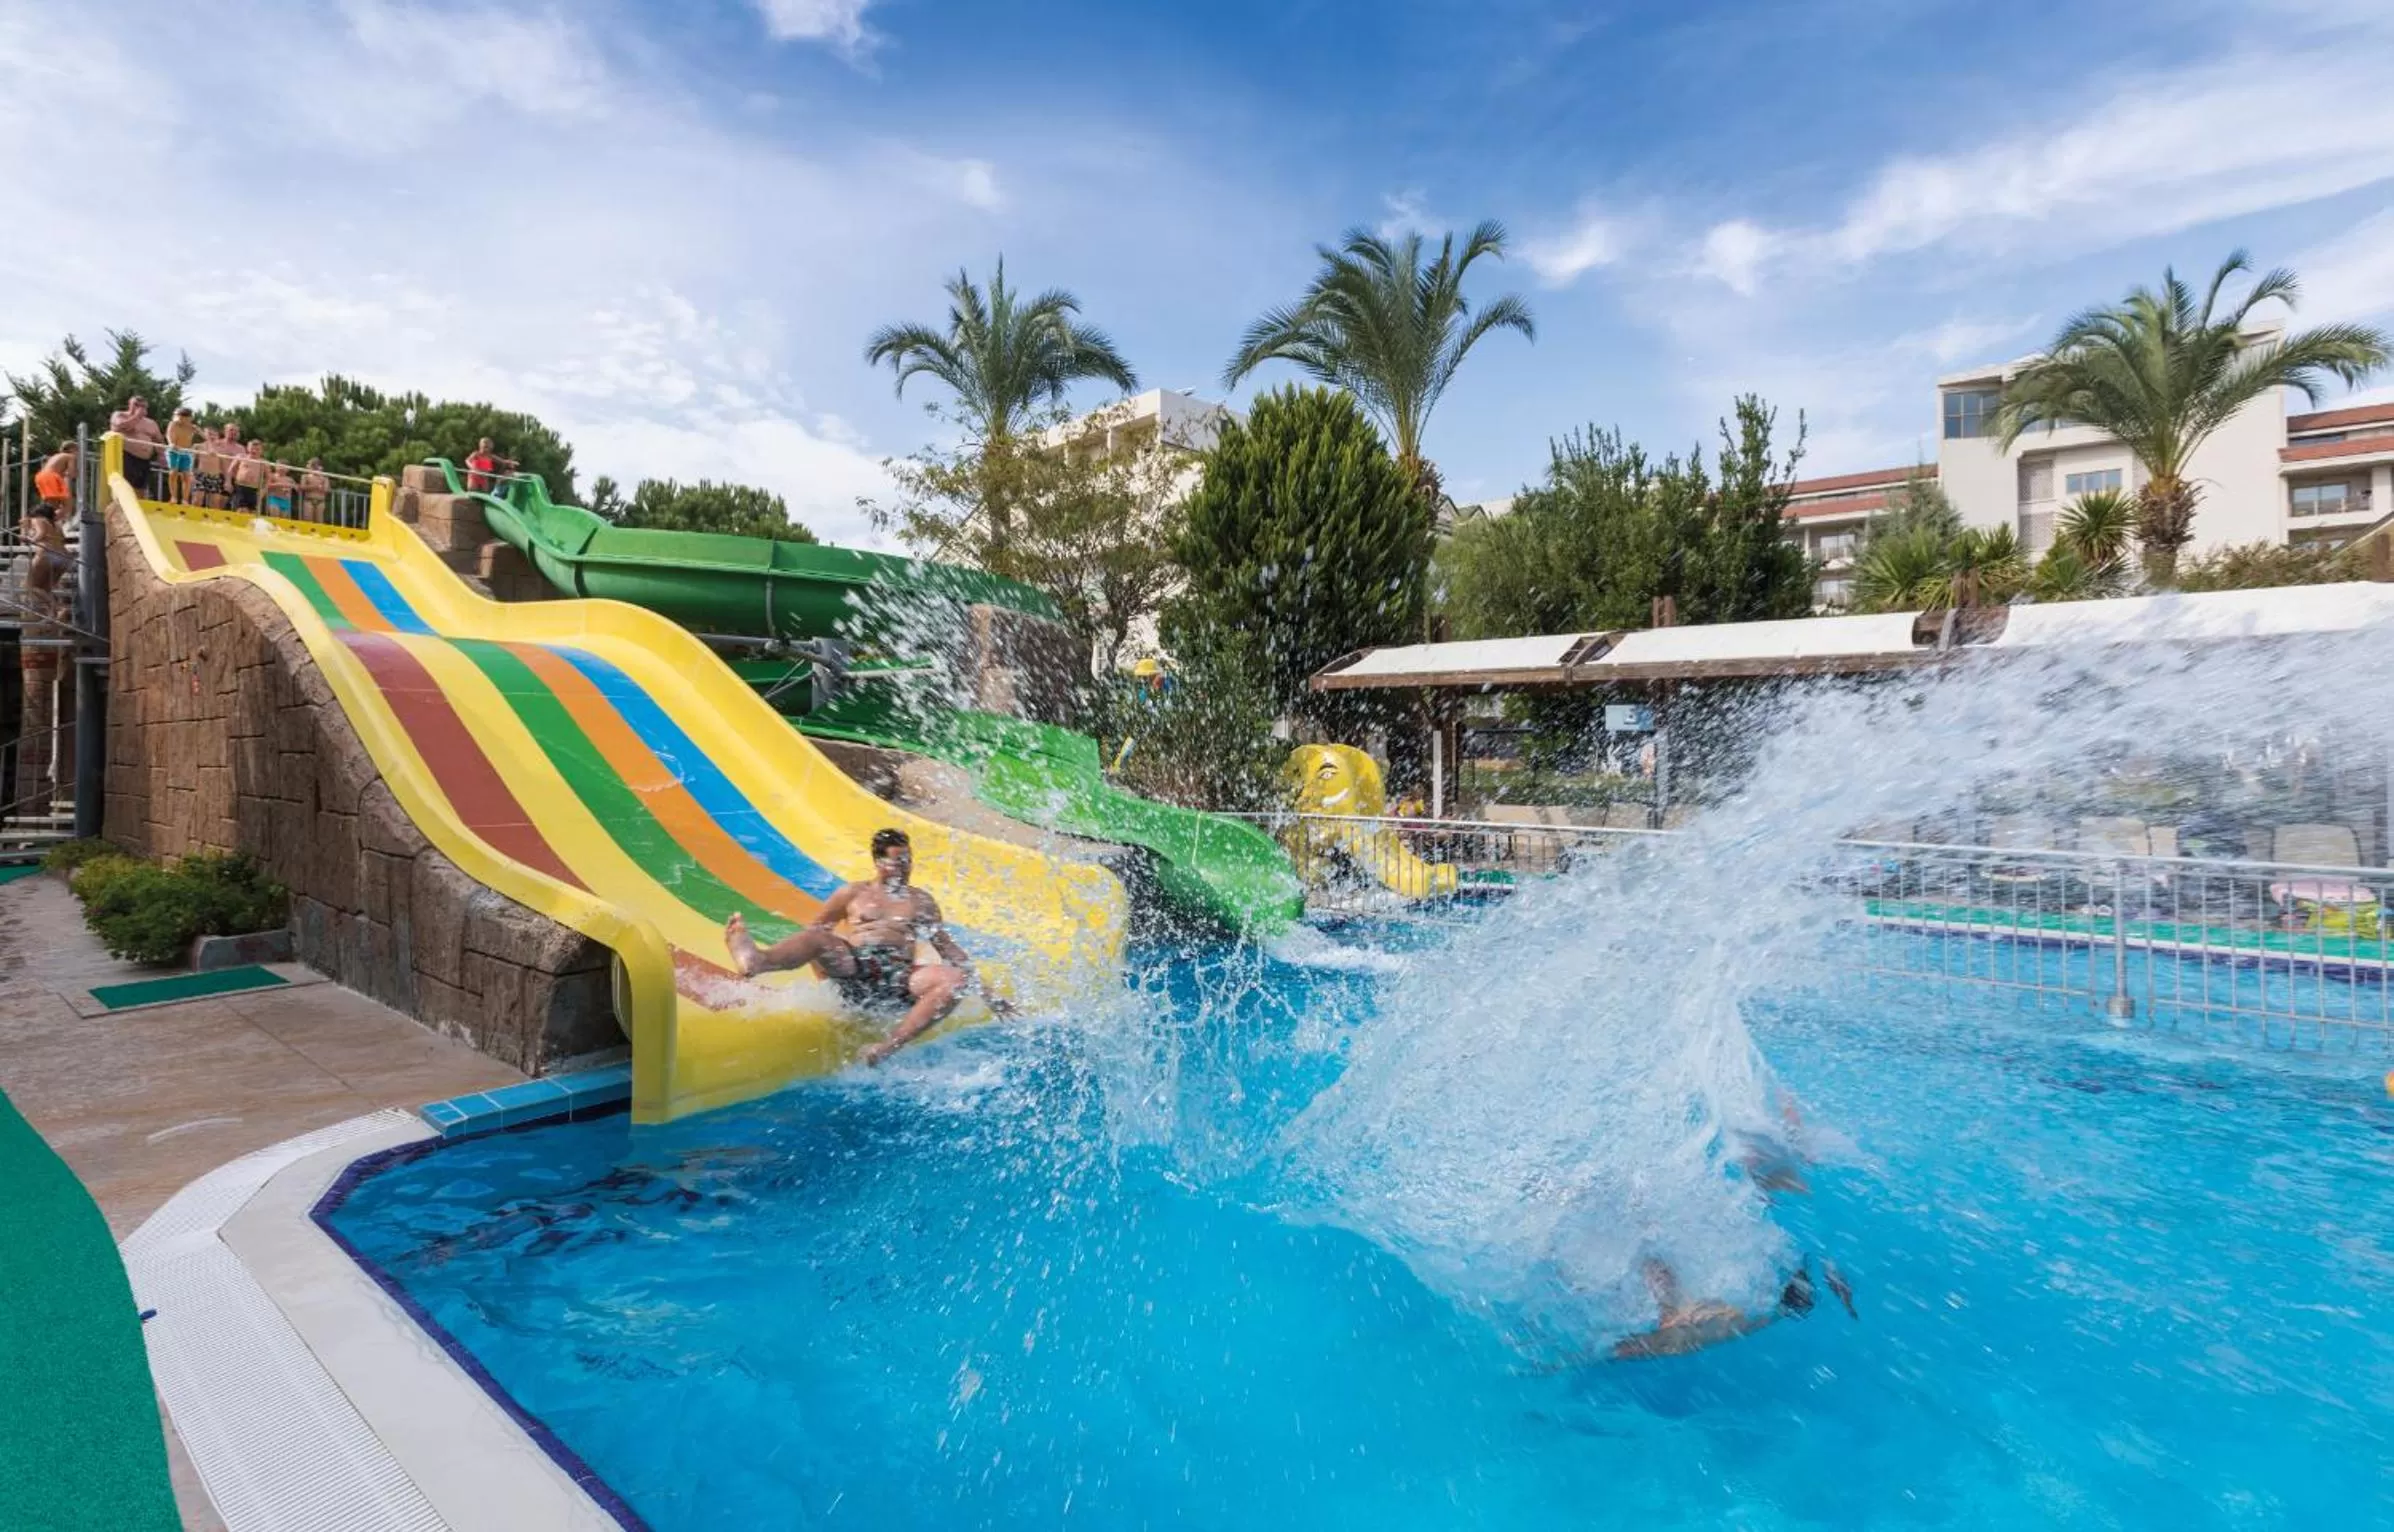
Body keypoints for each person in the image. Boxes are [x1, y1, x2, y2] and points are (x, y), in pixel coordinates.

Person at [722, 827, 1014, 1066]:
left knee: (955, 980)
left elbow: (949, 950)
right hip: (856, 966)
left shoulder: (921, 902)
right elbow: (816, 932)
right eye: (896, 861)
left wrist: (990, 996)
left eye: (907, 860)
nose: (904, 867)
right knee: (817, 938)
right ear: (877, 862)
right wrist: (825, 979)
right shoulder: (853, 893)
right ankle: (757, 961)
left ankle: (887, 1047)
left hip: (898, 978)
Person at [109, 395, 165, 498]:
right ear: (129, 405)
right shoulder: (120, 415)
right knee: (125, 486)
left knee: (141, 488)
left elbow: (158, 439)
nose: (140, 408)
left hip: (144, 460)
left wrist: (161, 455)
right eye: (136, 405)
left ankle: (137, 511)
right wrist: (136, 417)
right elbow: (119, 427)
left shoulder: (151, 423)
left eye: (143, 406)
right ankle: (120, 510)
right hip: (127, 455)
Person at [164, 406, 198, 503]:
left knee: (186, 475)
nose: (180, 419)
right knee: (173, 472)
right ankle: (173, 497)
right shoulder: (173, 424)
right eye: (179, 417)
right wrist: (171, 443)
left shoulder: (191, 427)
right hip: (174, 450)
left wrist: (198, 430)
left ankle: (185, 499)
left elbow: (205, 436)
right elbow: (168, 435)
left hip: (186, 452)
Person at [192, 426, 229, 509]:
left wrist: (227, 481)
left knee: (215, 503)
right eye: (209, 434)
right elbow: (191, 462)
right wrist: (191, 474)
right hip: (201, 475)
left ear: (218, 436)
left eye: (214, 434)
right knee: (197, 500)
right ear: (205, 434)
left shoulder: (221, 449)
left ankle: (211, 521)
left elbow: (224, 467)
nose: (212, 436)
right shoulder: (198, 446)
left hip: (215, 476)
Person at [228, 438, 268, 512]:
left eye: (257, 449)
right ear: (248, 448)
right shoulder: (241, 457)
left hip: (254, 489)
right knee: (240, 510)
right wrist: (228, 482)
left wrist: (263, 491)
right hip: (240, 487)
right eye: (252, 448)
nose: (254, 451)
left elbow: (268, 478)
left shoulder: (263, 463)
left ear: (261, 451)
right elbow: (230, 470)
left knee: (252, 512)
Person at [300, 458, 331, 523]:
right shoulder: (305, 476)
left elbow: (327, 490)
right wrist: (315, 486)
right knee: (307, 521)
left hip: (320, 501)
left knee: (319, 521)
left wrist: (321, 487)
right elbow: (302, 487)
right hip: (309, 500)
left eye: (308, 464)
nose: (306, 466)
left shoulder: (324, 478)